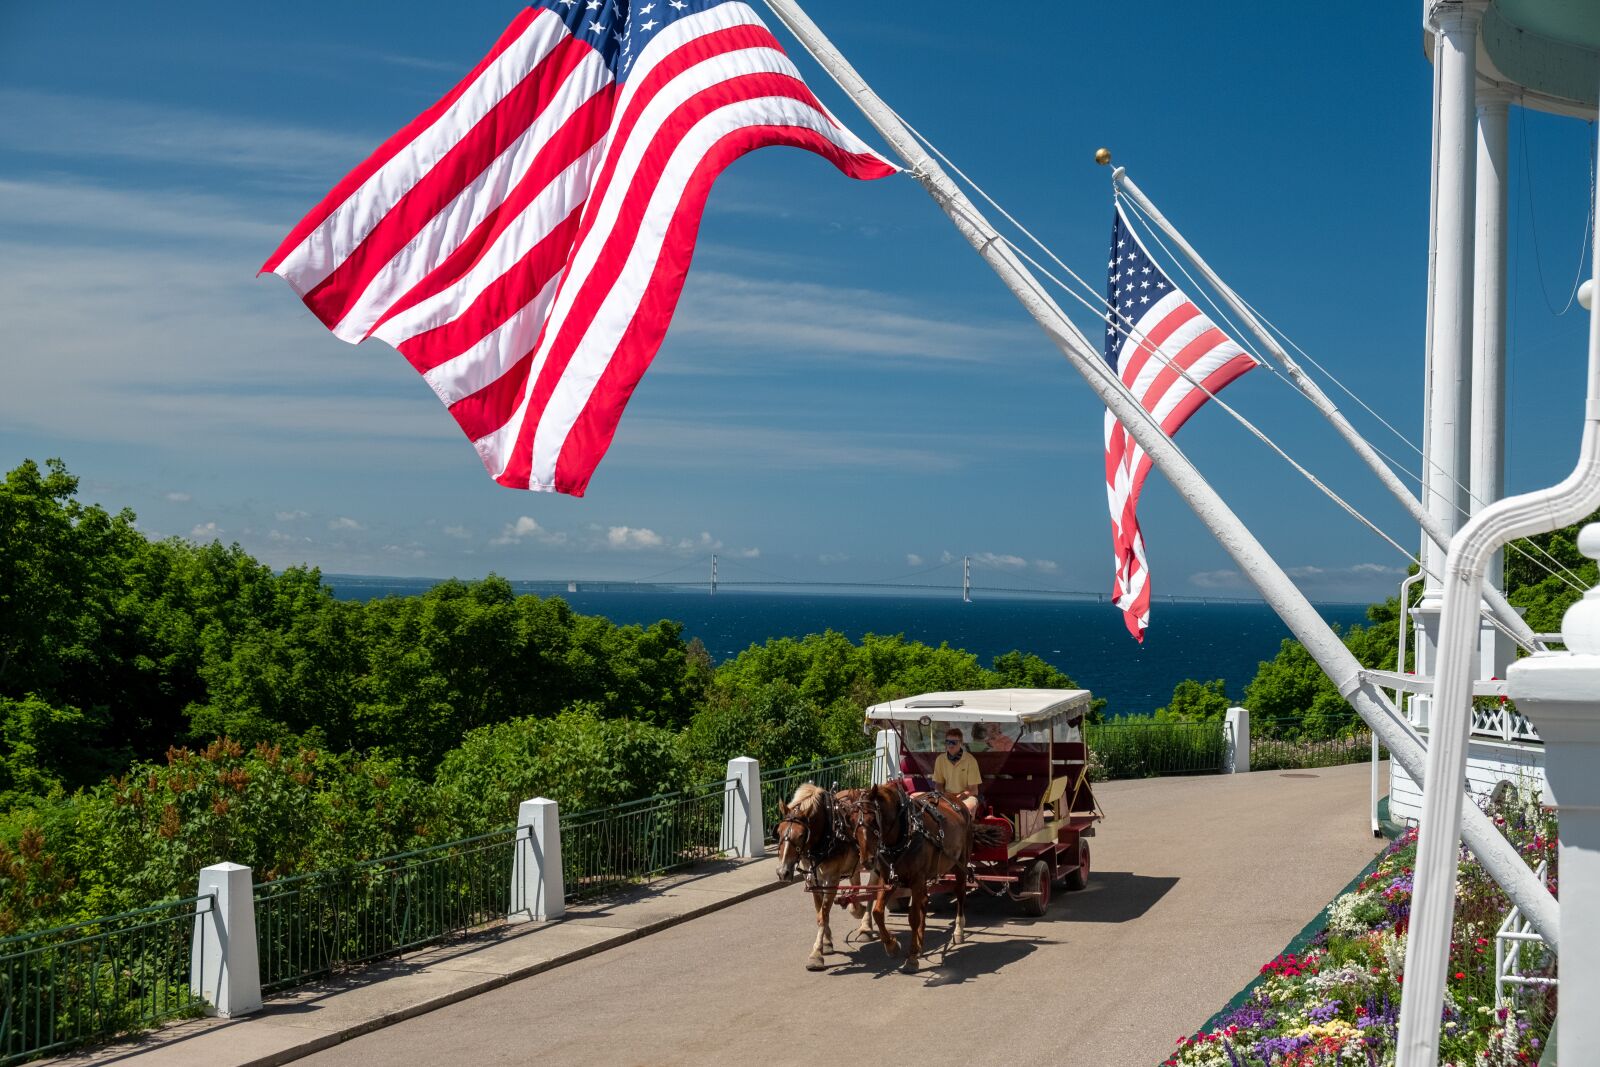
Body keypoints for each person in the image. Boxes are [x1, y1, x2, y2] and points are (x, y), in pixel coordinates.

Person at [932, 727, 982, 818]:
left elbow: (973, 790)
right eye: (948, 742)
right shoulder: (940, 759)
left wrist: (958, 798)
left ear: (961, 743)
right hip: (946, 797)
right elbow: (939, 784)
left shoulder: (970, 760)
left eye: (954, 742)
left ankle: (968, 831)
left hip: (967, 797)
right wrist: (941, 797)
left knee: (965, 810)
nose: (950, 745)